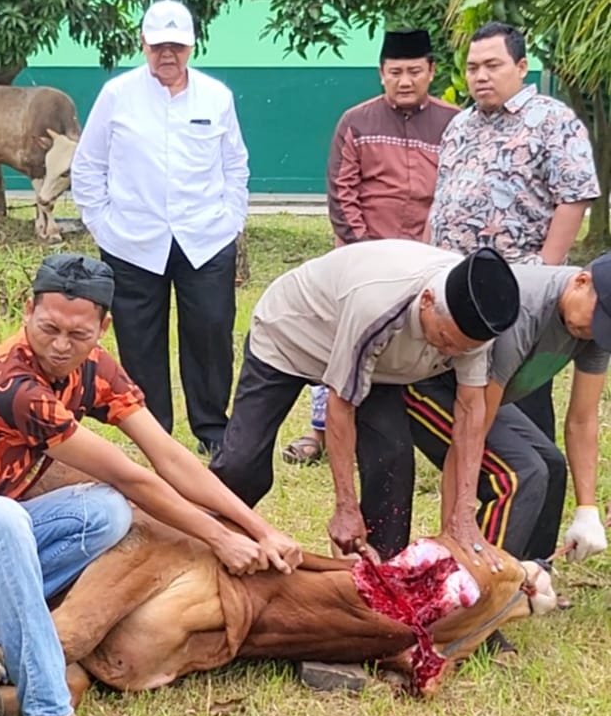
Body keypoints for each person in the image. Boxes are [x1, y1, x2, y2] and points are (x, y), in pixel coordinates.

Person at [0, 254, 301, 716]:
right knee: (2, 518)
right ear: (28, 311)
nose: (61, 345)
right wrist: (219, 538)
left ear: (102, 327)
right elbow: (132, 474)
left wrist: (257, 527)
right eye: (48, 328)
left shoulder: (94, 369)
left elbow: (170, 456)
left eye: (78, 334)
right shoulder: (13, 386)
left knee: (104, 512)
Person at [209, 239, 521, 568]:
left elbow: (471, 412)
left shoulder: (469, 324)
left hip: (380, 365)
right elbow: (340, 405)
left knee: (392, 459)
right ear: (427, 301)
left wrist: (464, 513)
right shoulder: (380, 304)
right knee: (243, 464)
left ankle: (380, 574)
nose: (450, 354)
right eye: (445, 341)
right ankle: (205, 540)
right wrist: (345, 506)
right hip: (292, 334)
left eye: (461, 349)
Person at [71, 0, 250, 458]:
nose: (168, 56)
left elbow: (236, 166)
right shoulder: (117, 95)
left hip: (205, 239)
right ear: (143, 44)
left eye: (177, 46)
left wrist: (231, 222)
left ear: (192, 46)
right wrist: (104, 227)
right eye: (158, 47)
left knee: (210, 333)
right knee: (139, 338)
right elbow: (88, 166)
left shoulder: (217, 97)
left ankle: (212, 427)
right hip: (132, 242)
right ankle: (154, 433)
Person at [285, 28, 460, 466]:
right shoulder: (356, 121)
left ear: (431, 72)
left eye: (414, 71)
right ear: (381, 74)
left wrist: (430, 256)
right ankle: (320, 430)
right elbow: (342, 194)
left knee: (434, 343)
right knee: (342, 342)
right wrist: (368, 256)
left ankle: (433, 437)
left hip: (432, 261)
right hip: (361, 259)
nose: (405, 81)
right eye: (395, 72)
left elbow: (455, 193)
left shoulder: (454, 123)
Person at [426, 21, 600, 442]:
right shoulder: (460, 125)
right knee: (462, 384)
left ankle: (533, 478)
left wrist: (545, 270)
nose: (480, 76)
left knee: (521, 401)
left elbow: (574, 196)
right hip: (454, 282)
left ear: (521, 67)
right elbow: (445, 196)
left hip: (520, 288)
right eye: (471, 68)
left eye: (492, 65)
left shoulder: (552, 120)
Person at [406, 255, 611, 565]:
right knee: (520, 471)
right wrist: (455, 527)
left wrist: (587, 511)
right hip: (427, 382)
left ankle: (531, 576)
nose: (594, 331)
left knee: (551, 465)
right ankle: (478, 581)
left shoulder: (595, 329)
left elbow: (582, 421)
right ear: (581, 282)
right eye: (597, 319)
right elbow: (471, 431)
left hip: (481, 394)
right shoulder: (523, 310)